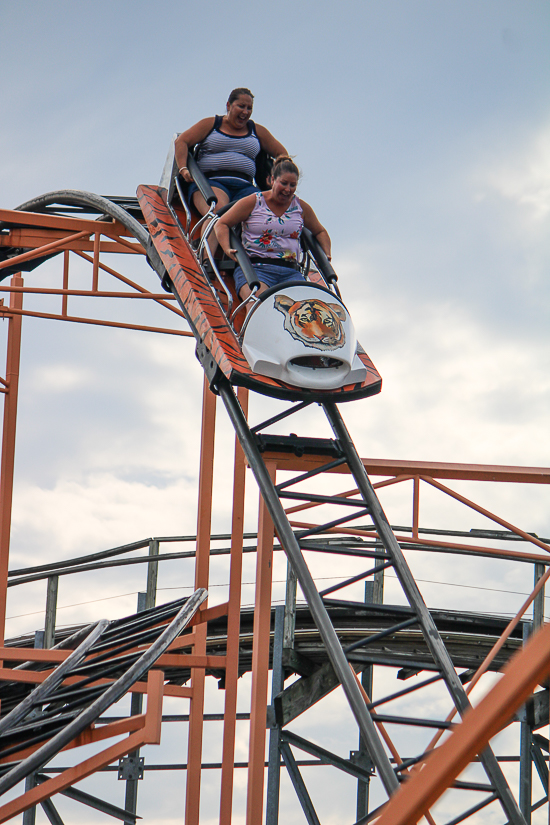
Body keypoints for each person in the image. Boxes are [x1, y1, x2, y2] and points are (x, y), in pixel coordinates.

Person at [214, 156, 332, 300]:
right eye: (284, 183)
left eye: (292, 185)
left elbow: (320, 231)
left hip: (290, 271)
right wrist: (226, 248)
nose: (288, 189)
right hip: (256, 269)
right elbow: (222, 223)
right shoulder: (254, 201)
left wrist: (326, 255)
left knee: (304, 307)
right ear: (272, 180)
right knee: (261, 302)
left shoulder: (300, 207)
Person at [174, 88, 288, 218]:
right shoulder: (212, 124)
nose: (245, 112)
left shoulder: (257, 131)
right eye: (241, 106)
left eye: (249, 108)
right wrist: (183, 168)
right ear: (229, 105)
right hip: (212, 182)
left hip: (245, 186)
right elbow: (182, 141)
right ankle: (211, 235)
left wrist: (276, 177)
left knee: (262, 215)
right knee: (219, 213)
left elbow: (282, 154)